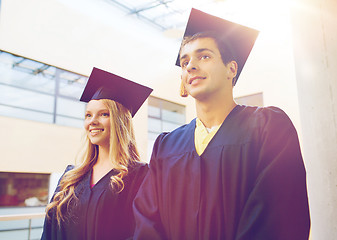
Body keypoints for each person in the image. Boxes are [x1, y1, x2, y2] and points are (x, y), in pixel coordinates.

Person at [133, 8, 310, 240]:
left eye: (204, 56)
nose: (190, 66)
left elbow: (278, 219)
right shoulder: (166, 147)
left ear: (231, 68)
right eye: (185, 61)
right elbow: (146, 222)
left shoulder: (268, 128)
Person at [41, 67, 152, 240]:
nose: (92, 122)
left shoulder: (140, 175)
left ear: (119, 121)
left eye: (103, 114)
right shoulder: (71, 177)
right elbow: (49, 231)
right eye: (88, 115)